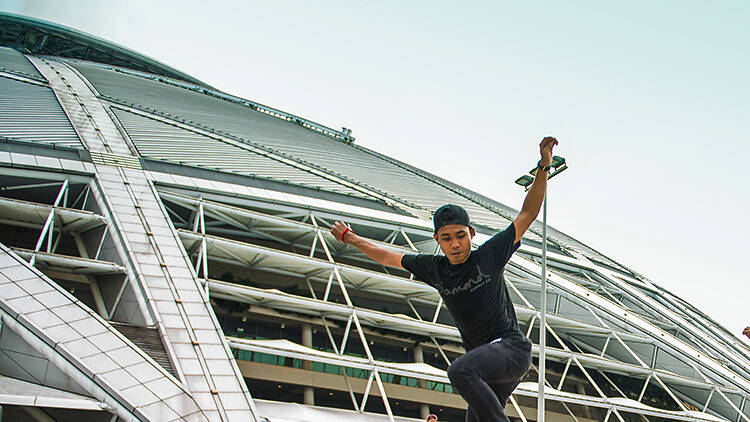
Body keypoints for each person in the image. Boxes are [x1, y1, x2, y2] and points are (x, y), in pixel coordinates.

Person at [331, 137, 559, 421]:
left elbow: (527, 214)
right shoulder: (434, 268)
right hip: (488, 372)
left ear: (471, 234)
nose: (455, 245)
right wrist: (350, 239)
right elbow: (388, 257)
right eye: (447, 239)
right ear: (437, 239)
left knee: (461, 370)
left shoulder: (489, 255)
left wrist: (543, 166)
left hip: (510, 349)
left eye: (461, 236)